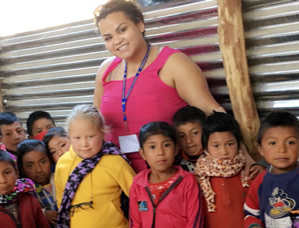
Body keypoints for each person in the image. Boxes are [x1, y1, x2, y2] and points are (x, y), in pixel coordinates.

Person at [93, 0, 225, 172]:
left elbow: (211, 110)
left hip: (170, 176)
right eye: (108, 38)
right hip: (117, 176)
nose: (117, 41)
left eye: (122, 30)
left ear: (140, 24)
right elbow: (95, 126)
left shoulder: (173, 63)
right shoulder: (105, 71)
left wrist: (241, 155)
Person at [195, 112, 268, 228]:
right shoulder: (199, 179)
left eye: (230, 144)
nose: (224, 151)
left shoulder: (251, 175)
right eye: (216, 145)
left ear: (239, 144)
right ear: (205, 147)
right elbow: (197, 224)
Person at [130, 121, 203, 228]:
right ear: (143, 153)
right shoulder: (138, 185)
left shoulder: (188, 181)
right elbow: (135, 226)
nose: (160, 152)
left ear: (177, 149)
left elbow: (195, 223)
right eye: (152, 147)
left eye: (166, 145)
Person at [54, 104, 135, 228]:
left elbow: (137, 195)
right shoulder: (63, 164)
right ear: (69, 137)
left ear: (103, 133)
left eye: (91, 136)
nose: (84, 144)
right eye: (77, 138)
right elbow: (61, 202)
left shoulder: (114, 162)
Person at [17, 139, 61, 228]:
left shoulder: (61, 179)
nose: (39, 169)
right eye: (30, 166)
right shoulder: (25, 192)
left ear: (50, 160)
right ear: (22, 168)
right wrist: (43, 213)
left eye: (43, 162)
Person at [172, 106, 207, 173]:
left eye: (194, 133)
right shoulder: (176, 165)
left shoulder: (216, 158)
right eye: (182, 136)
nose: (189, 141)